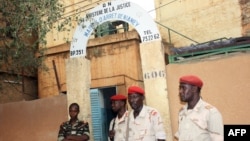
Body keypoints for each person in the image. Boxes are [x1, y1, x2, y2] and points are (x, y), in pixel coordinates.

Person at [175, 75, 223, 141]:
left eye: (183, 88)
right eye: (180, 88)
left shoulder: (210, 112)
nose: (180, 91)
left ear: (194, 89)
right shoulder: (182, 112)